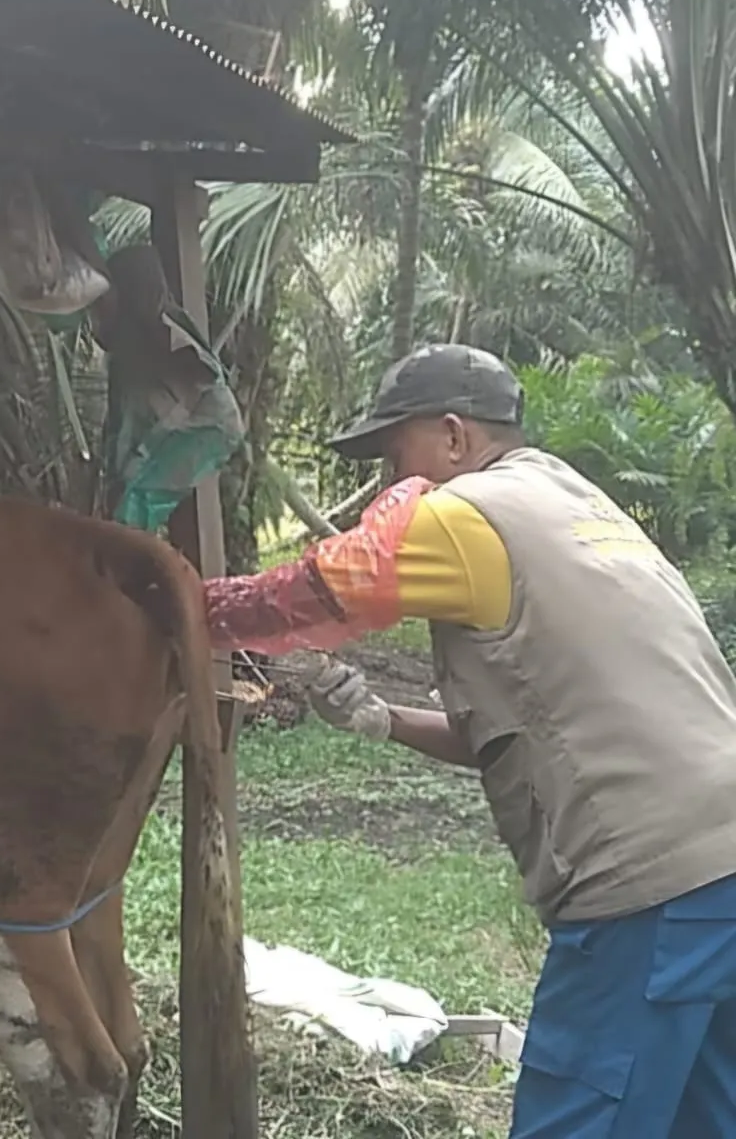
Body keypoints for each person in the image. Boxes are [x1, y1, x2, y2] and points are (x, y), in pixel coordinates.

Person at [201, 344, 736, 1137]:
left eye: (395, 454)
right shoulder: (577, 502)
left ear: (454, 436)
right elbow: (531, 729)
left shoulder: (463, 515)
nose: (389, 481)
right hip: (720, 870)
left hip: (647, 886)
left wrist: (175, 600)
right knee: (704, 1116)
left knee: (573, 1119)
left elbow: (303, 594)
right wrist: (381, 718)